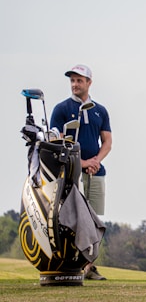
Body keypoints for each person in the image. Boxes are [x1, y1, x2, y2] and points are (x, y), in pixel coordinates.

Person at [50, 64, 112, 281]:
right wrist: (82, 163)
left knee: (95, 218)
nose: (75, 85)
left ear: (89, 83)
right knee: (72, 219)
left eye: (79, 81)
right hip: (71, 173)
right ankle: (71, 264)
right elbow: (56, 141)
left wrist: (95, 161)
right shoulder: (61, 109)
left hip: (96, 172)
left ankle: (89, 267)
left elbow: (107, 141)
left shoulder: (100, 110)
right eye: (72, 81)